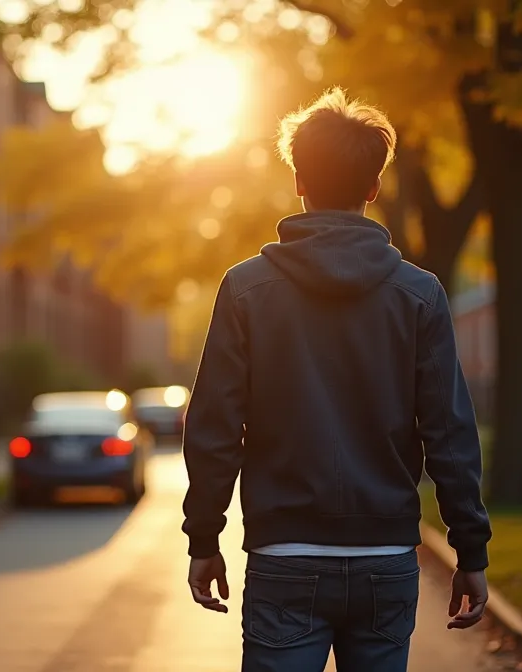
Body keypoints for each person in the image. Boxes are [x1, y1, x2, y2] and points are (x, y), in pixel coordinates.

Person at [181, 87, 493, 672]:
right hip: (386, 557)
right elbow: (449, 430)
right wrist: (469, 549)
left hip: (284, 558)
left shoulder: (246, 290)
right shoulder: (420, 295)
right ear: (374, 188)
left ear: (299, 180)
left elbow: (215, 426)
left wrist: (204, 539)